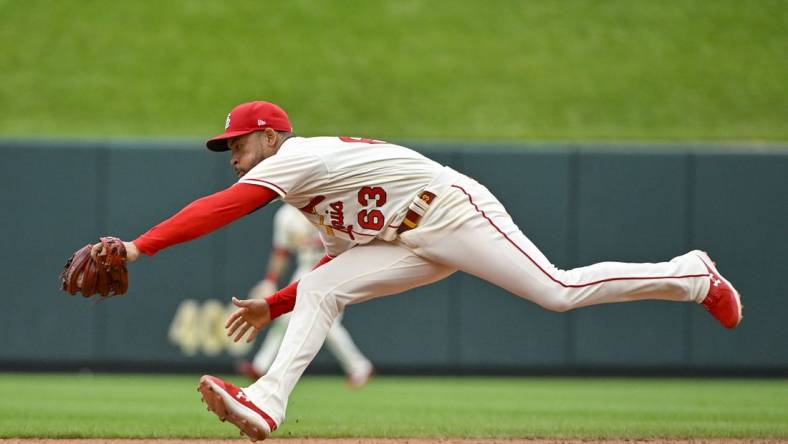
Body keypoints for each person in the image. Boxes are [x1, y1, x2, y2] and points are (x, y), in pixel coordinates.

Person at [93, 101, 742, 441]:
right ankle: (265, 405)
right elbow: (338, 265)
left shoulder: (295, 159)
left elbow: (224, 207)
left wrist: (138, 247)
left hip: (454, 213)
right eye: (228, 145)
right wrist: (277, 304)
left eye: (237, 141)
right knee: (321, 285)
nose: (230, 152)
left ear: (269, 138)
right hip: (408, 241)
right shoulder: (309, 199)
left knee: (558, 291)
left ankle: (689, 275)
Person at [237, 204, 374, 388]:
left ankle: (359, 366)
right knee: (285, 317)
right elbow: (281, 251)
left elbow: (350, 235)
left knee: (328, 324)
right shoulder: (285, 215)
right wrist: (270, 280)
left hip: (335, 263)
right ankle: (260, 366)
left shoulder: (326, 201)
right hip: (306, 267)